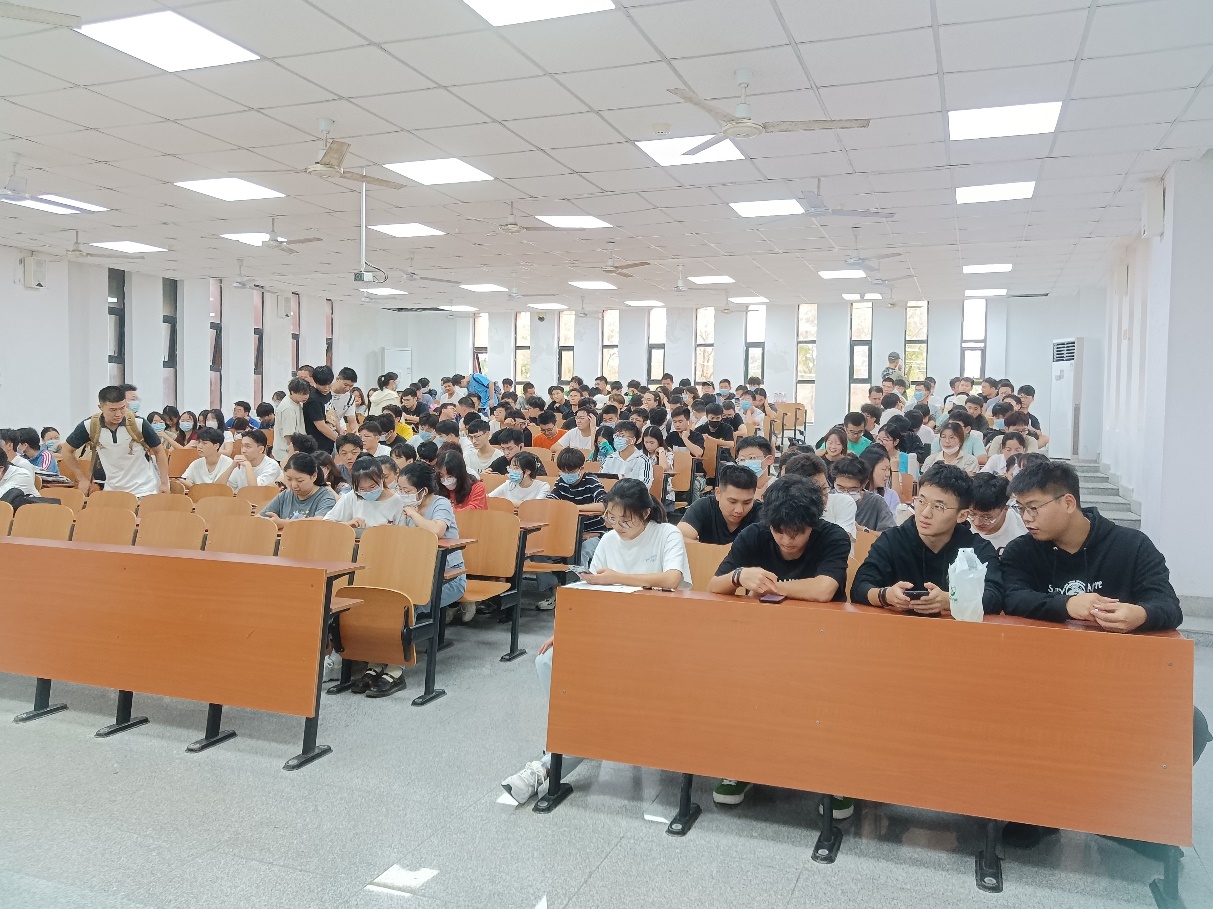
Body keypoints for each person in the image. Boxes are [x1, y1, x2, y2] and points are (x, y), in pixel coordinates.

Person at [998, 458, 1207, 847]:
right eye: (1020, 509)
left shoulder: (1131, 546)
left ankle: (1122, 812)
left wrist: (1139, 614)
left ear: (1068, 502)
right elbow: (1011, 597)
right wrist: (1066, 605)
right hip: (1045, 677)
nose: (1026, 519)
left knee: (1189, 724)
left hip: (1117, 680)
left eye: (1034, 508)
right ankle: (1036, 809)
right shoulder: (1022, 551)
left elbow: (1167, 604)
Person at [500, 479, 691, 805]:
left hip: (657, 634)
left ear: (645, 513)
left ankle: (555, 755)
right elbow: (589, 594)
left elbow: (672, 579)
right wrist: (568, 630)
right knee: (547, 659)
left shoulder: (666, 534)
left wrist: (617, 577)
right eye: (611, 518)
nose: (616, 526)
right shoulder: (608, 540)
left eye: (624, 520)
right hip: (611, 630)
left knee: (604, 695)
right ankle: (577, 728)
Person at [706, 473, 851, 808]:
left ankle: (836, 778)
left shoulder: (833, 537)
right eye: (779, 531)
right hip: (762, 640)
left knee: (828, 701)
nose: (787, 540)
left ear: (813, 523)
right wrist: (740, 575)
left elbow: (824, 589)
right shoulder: (754, 534)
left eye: (798, 532)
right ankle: (742, 763)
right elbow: (714, 585)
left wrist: (768, 587)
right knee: (739, 686)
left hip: (822, 641)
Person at [850, 463, 1003, 616]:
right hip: (900, 626)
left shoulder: (976, 548)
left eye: (939, 507)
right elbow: (859, 587)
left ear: (962, 515)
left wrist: (951, 600)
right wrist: (886, 595)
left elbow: (995, 597)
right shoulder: (893, 540)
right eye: (921, 501)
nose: (925, 513)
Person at [398, 461, 469, 631]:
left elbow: (437, 530)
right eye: (399, 489)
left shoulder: (440, 503)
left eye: (406, 491)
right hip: (416, 574)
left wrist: (414, 514)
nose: (401, 494)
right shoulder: (406, 506)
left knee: (410, 605)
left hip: (449, 577)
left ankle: (407, 643)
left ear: (423, 490)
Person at [61, 385, 169, 497]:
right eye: (112, 410)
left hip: (144, 489)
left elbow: (159, 451)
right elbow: (66, 451)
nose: (118, 414)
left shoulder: (139, 423)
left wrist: (164, 483)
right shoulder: (90, 426)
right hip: (112, 490)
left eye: (122, 408)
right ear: (101, 407)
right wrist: (82, 479)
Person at [678, 462, 763, 544]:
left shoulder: (762, 513)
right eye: (732, 502)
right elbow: (679, 538)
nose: (739, 510)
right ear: (718, 493)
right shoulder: (703, 507)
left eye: (747, 503)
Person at [779, 452, 858, 539]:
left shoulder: (843, 503)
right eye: (814, 492)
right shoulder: (783, 509)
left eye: (824, 488)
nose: (822, 497)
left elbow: (840, 540)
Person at [547, 447, 607, 562]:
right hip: (570, 533)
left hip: (595, 533)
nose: (566, 475)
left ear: (581, 469)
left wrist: (573, 508)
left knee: (582, 551)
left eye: (571, 472)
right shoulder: (561, 481)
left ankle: (581, 574)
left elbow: (604, 505)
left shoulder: (591, 481)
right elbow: (551, 501)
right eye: (563, 471)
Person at [324, 455, 404, 535]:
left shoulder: (398, 501)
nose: (368, 492)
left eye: (372, 487)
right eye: (362, 489)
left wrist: (390, 531)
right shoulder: (353, 496)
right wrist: (347, 525)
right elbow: (326, 524)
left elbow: (404, 534)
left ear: (382, 478)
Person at [260, 453, 339, 527]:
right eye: (289, 479)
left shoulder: (325, 497)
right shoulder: (286, 495)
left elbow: (320, 521)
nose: (293, 485)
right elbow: (260, 517)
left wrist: (283, 523)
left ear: (314, 476)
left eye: (300, 480)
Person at [830, 456, 896, 532]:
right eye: (840, 488)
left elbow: (891, 536)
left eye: (852, 489)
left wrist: (861, 530)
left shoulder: (876, 502)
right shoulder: (828, 499)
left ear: (864, 484)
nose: (845, 493)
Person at [967, 473, 1027, 555]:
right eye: (972, 514)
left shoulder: (1022, 528)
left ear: (1005, 509)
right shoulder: (960, 525)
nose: (977, 522)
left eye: (986, 517)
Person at [598, 420, 651, 485]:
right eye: (616, 436)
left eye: (622, 436)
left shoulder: (643, 460)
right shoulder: (609, 459)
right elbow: (600, 480)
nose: (618, 439)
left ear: (633, 440)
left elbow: (645, 485)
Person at [271, 378, 310, 460]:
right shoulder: (288, 408)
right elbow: (289, 435)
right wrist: (294, 453)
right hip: (286, 453)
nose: (306, 396)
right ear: (292, 392)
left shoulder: (296, 402)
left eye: (307, 393)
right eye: (302, 394)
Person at [303, 365, 338, 454]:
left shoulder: (328, 392)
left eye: (329, 384)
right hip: (318, 445)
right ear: (315, 382)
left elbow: (331, 413)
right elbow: (321, 426)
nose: (326, 388)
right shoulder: (313, 399)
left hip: (329, 441)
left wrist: (340, 430)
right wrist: (339, 440)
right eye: (323, 385)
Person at [858, 445, 901, 517]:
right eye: (883, 469)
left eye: (888, 469)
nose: (888, 474)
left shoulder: (891, 495)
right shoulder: (855, 493)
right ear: (870, 469)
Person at [328, 367, 359, 433]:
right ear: (337, 379)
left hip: (336, 430)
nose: (347, 388)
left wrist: (355, 430)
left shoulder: (350, 398)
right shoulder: (325, 391)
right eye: (345, 385)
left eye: (351, 386)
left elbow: (352, 420)